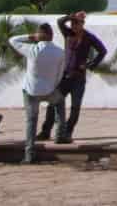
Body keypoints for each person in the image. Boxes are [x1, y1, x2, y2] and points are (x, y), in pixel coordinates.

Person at [38, 11, 106, 144]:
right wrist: (72, 16)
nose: (73, 25)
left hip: (79, 78)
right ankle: (46, 131)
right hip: (65, 77)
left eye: (76, 23)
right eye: (72, 23)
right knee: (53, 103)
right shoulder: (68, 33)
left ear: (82, 24)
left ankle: (67, 132)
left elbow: (102, 51)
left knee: (75, 107)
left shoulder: (89, 37)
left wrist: (90, 65)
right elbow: (59, 22)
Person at [9, 23, 67, 164]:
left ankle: (29, 155)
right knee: (60, 102)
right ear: (52, 35)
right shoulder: (60, 52)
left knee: (31, 121)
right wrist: (52, 86)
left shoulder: (32, 50)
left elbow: (12, 40)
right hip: (49, 90)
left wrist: (31, 36)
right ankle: (60, 134)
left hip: (31, 90)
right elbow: (60, 74)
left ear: (39, 35)